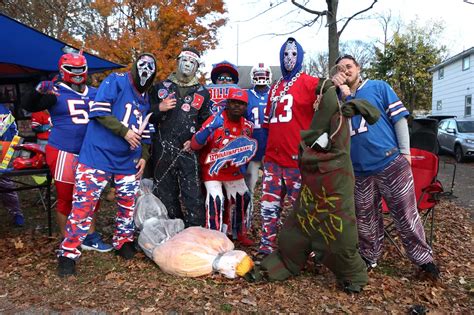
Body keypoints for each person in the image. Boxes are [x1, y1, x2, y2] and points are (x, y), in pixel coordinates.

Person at [331, 54, 440, 279]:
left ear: (358, 68)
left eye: (349, 66)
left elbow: (399, 119)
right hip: (359, 170)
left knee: (406, 215)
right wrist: (334, 91)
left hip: (389, 162)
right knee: (365, 218)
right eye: (341, 68)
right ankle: (369, 255)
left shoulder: (378, 87)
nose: (346, 71)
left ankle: (424, 260)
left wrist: (405, 153)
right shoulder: (336, 97)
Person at [57, 53, 156, 277]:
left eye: (150, 74)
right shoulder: (116, 81)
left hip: (127, 159)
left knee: (128, 204)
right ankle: (68, 252)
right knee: (83, 205)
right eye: (141, 71)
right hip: (98, 154)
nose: (144, 77)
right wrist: (124, 131)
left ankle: (123, 241)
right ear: (134, 70)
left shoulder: (145, 95)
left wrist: (145, 155)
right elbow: (99, 110)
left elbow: (146, 128)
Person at [24, 52, 110, 251]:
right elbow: (28, 105)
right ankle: (67, 239)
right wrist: (38, 91)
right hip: (64, 150)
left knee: (92, 196)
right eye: (73, 70)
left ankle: (90, 235)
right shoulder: (55, 92)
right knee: (66, 198)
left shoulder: (96, 92)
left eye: (81, 69)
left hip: (91, 151)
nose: (78, 74)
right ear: (63, 70)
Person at [258, 37, 319, 257]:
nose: (289, 58)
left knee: (300, 208)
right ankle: (267, 246)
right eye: (285, 54)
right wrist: (264, 154)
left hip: (297, 161)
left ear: (301, 56)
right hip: (273, 161)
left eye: (294, 54)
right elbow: (266, 126)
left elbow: (332, 97)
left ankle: (306, 250)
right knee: (268, 206)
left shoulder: (310, 82)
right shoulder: (274, 88)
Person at [150, 47, 210, 227]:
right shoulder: (161, 87)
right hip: (163, 147)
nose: (188, 65)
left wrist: (195, 141)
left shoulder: (202, 92)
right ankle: (172, 228)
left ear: (197, 67)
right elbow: (145, 116)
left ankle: (195, 229)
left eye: (192, 62)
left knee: (192, 191)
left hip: (188, 148)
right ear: (178, 62)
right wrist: (158, 109)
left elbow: (207, 123)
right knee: (164, 190)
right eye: (184, 60)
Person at [190, 87, 256, 246]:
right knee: (216, 199)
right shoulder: (215, 119)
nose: (237, 106)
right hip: (211, 168)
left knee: (244, 196)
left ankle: (239, 232)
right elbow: (194, 145)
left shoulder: (247, 126)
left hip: (231, 170)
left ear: (245, 107)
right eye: (233, 102)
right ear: (227, 103)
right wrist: (209, 129)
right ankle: (214, 236)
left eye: (241, 103)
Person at [244, 63, 272, 229]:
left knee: (271, 190)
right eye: (258, 74)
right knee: (250, 188)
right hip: (253, 150)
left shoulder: (275, 94)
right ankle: (246, 223)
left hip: (270, 149)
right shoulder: (247, 94)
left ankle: (269, 224)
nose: (261, 78)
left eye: (264, 74)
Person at [0, 103, 24, 226]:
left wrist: (10, 149)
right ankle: (16, 214)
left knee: (5, 183)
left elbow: (14, 131)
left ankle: (16, 214)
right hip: (6, 148)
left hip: (6, 150)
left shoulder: (4, 110)